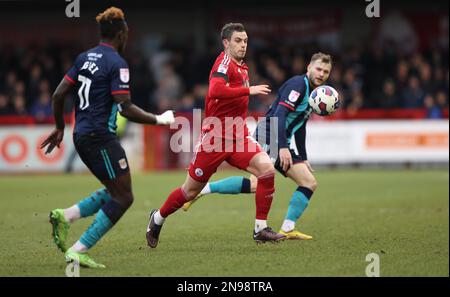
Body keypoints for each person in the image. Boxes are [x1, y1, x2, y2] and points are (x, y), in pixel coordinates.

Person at [40, 7, 175, 268]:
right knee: (124, 197)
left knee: (116, 189)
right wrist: (160, 119)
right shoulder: (116, 63)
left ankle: (65, 216)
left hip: (83, 134)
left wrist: (59, 127)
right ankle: (78, 250)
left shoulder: (83, 58)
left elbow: (58, 94)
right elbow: (126, 107)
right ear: (122, 34)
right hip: (100, 137)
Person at [146, 23, 286, 247]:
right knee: (189, 191)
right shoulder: (224, 62)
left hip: (238, 135)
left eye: (245, 41)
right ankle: (157, 218)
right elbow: (215, 90)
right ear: (226, 43)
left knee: (267, 170)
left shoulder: (243, 67)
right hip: (215, 137)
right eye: (238, 41)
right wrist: (248, 90)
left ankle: (260, 228)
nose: (243, 45)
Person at [182, 53, 334, 240]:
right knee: (256, 184)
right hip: (269, 134)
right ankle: (202, 190)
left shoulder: (314, 93)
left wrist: (303, 156)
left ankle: (287, 228)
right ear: (309, 67)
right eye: (318, 69)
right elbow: (279, 114)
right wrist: (284, 147)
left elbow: (301, 125)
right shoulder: (298, 85)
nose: (321, 74)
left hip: (281, 140)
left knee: (309, 182)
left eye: (326, 72)